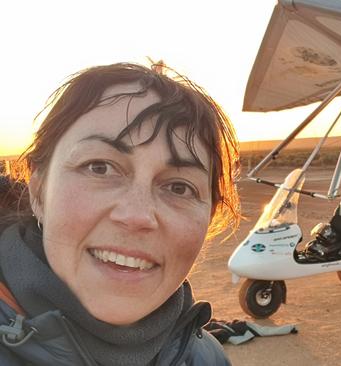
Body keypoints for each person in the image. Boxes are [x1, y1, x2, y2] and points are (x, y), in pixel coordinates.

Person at [0, 62, 239, 365]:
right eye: (99, 167)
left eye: (179, 188)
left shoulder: (206, 359)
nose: (137, 216)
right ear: (38, 191)